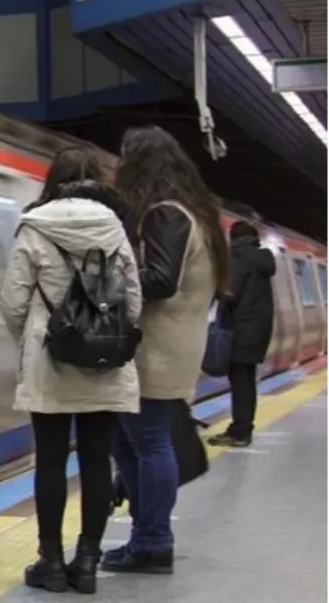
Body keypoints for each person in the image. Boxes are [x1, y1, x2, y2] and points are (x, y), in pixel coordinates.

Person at [0, 147, 142, 594]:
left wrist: (35, 339)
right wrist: (109, 336)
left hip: (49, 360)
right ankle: (87, 562)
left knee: (51, 462)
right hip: (103, 361)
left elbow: (13, 302)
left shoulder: (35, 226)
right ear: (97, 181)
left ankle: (52, 563)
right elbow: (134, 301)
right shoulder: (115, 228)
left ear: (53, 179)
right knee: (97, 460)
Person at [106, 126, 229, 575]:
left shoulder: (166, 214)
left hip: (156, 348)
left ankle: (154, 541)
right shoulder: (196, 214)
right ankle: (146, 535)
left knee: (149, 442)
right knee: (128, 442)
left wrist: (108, 283)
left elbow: (159, 280)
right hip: (171, 344)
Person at [208, 219, 276, 447]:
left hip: (240, 331)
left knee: (240, 383)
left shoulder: (239, 259)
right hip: (257, 332)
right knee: (246, 381)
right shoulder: (262, 260)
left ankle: (240, 432)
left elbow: (230, 293)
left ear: (234, 239)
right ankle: (243, 428)